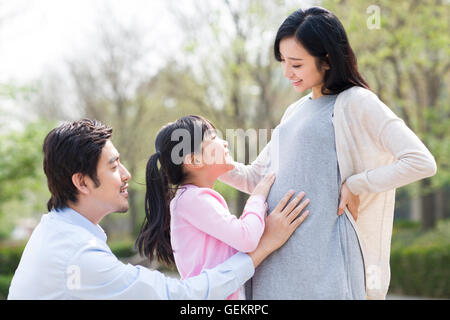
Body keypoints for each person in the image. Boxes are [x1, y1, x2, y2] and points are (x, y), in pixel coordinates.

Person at [219, 7, 437, 300]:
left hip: (325, 269)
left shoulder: (355, 102)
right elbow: (258, 177)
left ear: (327, 60)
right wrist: (207, 162)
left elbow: (420, 161)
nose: (286, 72)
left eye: (296, 64)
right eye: (283, 61)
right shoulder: (294, 110)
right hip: (273, 264)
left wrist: (356, 184)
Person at [7, 118, 308, 300]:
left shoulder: (60, 235)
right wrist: (262, 248)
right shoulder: (78, 256)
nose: (126, 174)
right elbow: (175, 296)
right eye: (114, 166)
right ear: (82, 182)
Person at [135, 115, 310, 300]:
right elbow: (246, 238)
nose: (224, 142)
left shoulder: (192, 199)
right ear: (194, 161)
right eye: (213, 138)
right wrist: (257, 197)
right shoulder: (192, 200)